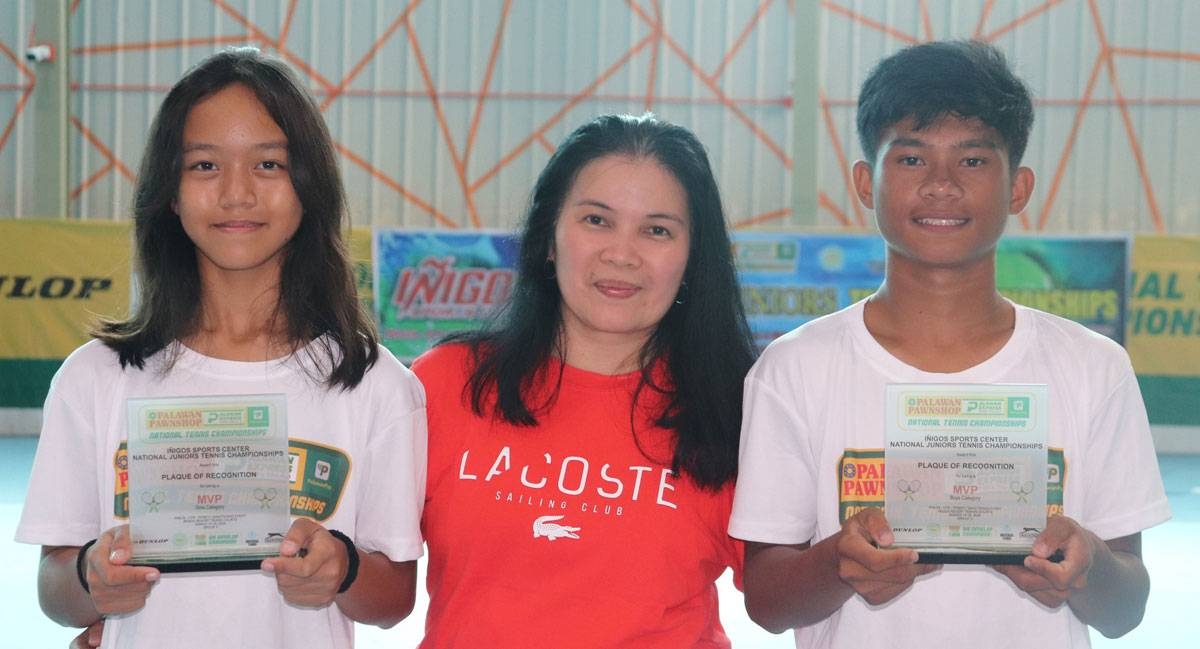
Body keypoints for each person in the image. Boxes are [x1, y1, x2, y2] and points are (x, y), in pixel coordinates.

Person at [729, 40, 1170, 648]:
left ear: (1018, 187)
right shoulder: (793, 370)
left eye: (972, 161)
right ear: (866, 181)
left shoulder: (1094, 368)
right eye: (910, 159)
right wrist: (839, 564)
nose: (940, 185)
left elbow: (1127, 609)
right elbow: (766, 603)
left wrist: (1086, 569)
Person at [16, 48, 426, 649]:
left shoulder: (375, 386)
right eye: (204, 165)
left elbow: (394, 601)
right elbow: (56, 590)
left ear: (309, 185)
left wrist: (344, 569)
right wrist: (91, 577)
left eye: (269, 164)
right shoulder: (95, 379)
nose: (237, 194)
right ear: (171, 192)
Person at [410, 113, 757, 648]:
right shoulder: (446, 384)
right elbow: (375, 581)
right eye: (597, 220)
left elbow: (780, 595)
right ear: (549, 238)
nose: (622, 253)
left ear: (692, 260)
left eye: (657, 230)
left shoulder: (736, 409)